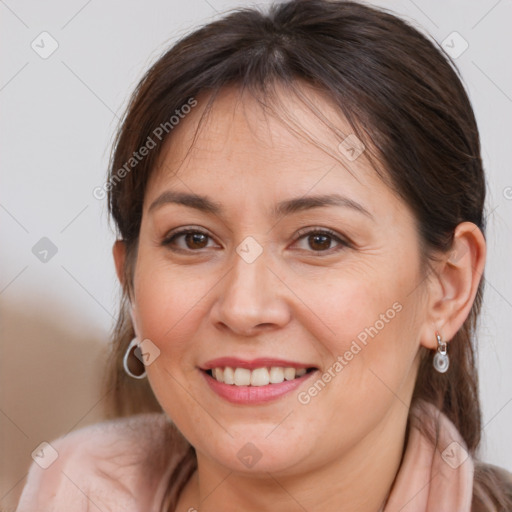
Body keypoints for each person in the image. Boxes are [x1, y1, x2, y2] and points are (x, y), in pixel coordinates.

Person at [15, 1, 512, 511]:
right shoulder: (66, 490)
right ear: (132, 281)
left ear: (447, 288)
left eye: (320, 240)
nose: (243, 308)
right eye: (193, 238)